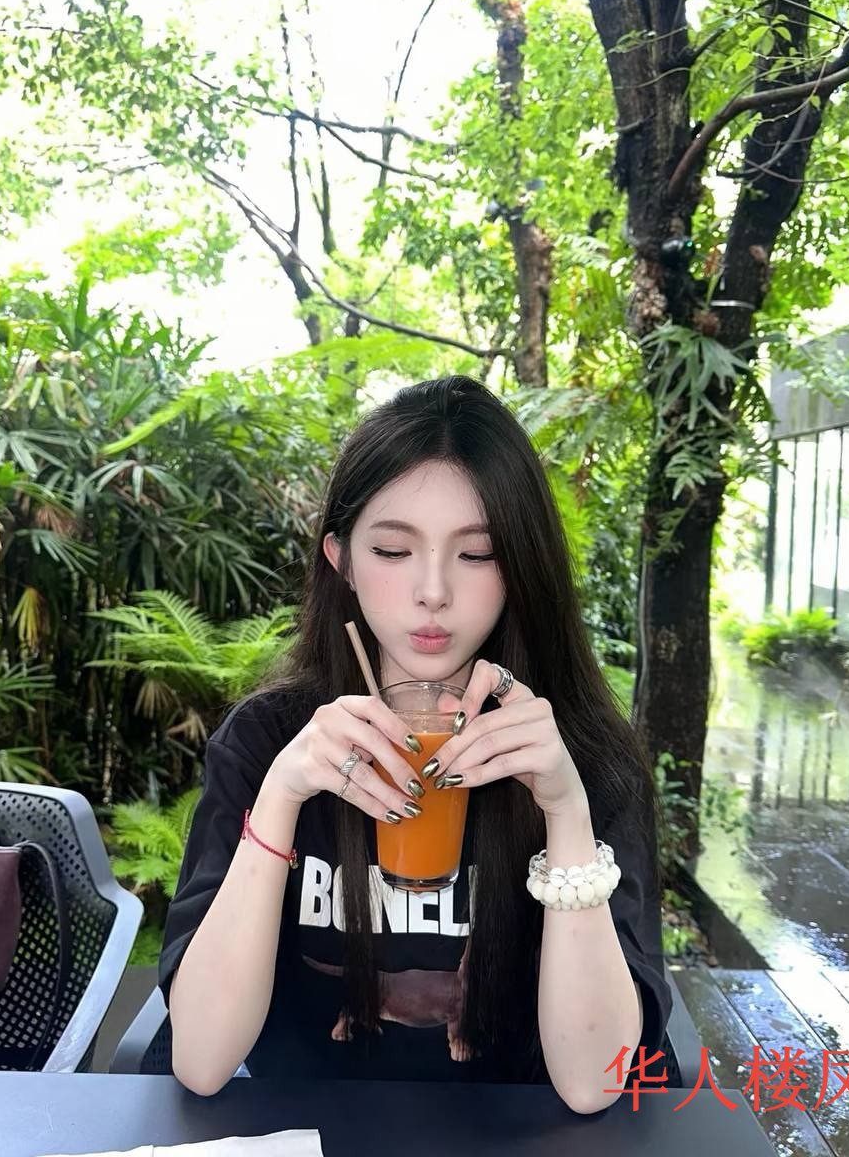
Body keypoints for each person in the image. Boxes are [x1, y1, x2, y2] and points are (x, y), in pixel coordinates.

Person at [160, 373, 675, 1112]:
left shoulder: (580, 759)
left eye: (477, 553)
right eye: (393, 550)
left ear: (521, 567)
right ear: (341, 560)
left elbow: (595, 1086)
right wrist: (280, 796)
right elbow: (203, 1060)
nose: (433, 591)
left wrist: (565, 814)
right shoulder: (268, 742)